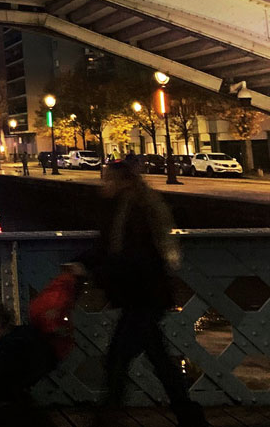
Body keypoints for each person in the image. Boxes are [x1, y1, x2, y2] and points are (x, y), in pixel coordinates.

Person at [80, 161, 208, 427]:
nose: (104, 185)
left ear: (123, 182)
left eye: (108, 180)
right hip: (144, 296)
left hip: (143, 296)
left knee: (119, 357)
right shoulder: (129, 207)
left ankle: (106, 419)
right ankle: (189, 416)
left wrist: (94, 270)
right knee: (156, 358)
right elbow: (108, 247)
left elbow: (130, 256)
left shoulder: (135, 211)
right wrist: (84, 262)